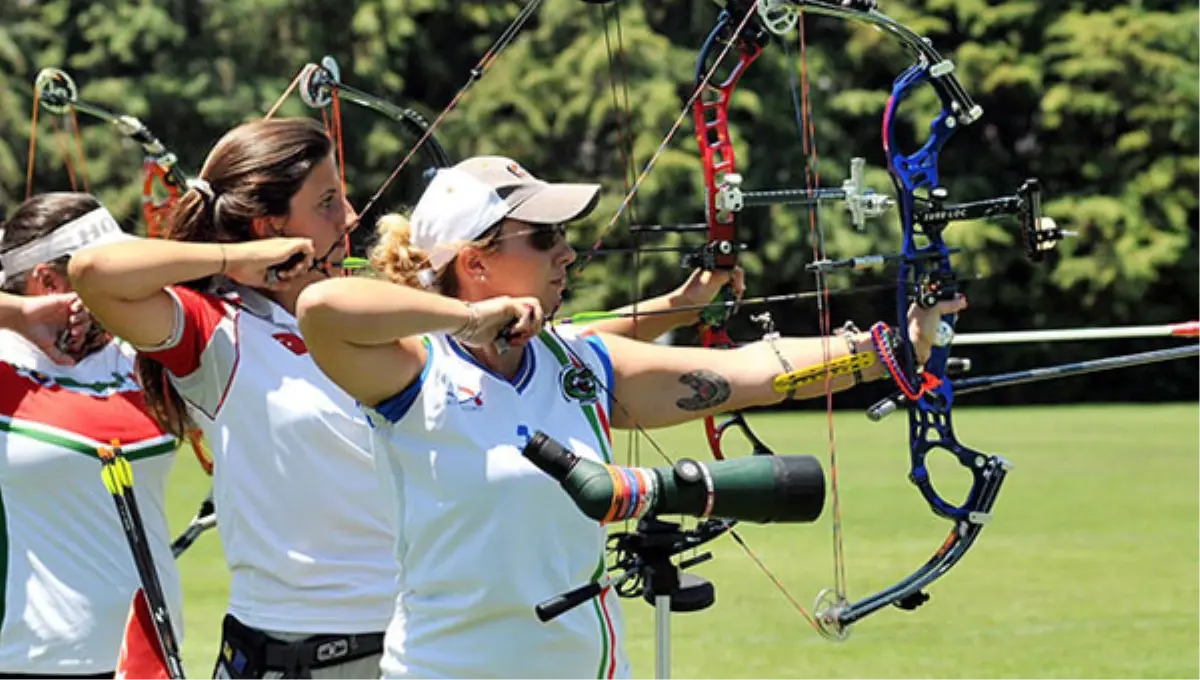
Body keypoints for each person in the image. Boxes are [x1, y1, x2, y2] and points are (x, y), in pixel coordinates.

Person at [66, 119, 744, 680]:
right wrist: (232, 263)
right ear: (269, 223)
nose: (352, 216)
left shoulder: (385, 321)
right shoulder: (222, 335)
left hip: (405, 649)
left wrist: (677, 307)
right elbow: (94, 273)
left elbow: (556, 346)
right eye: (327, 201)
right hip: (288, 657)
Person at [292, 155, 968, 679]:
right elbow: (321, 309)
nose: (567, 252)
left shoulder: (581, 364)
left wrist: (892, 348)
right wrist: (473, 319)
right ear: (475, 262)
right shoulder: (413, 370)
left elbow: (751, 375)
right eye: (545, 236)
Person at [0, 192, 181, 678]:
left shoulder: (136, 353)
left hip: (151, 656)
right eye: (109, 273)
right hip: (32, 661)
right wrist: (19, 315)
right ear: (49, 280)